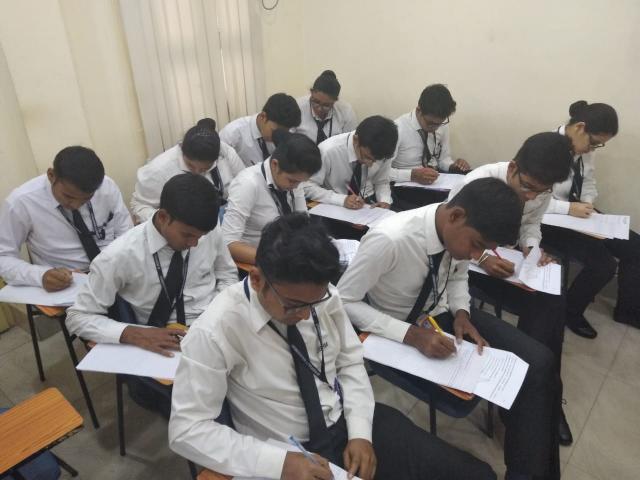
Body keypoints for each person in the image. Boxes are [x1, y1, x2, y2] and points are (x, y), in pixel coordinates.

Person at [169, 213, 496, 480]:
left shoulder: (322, 296)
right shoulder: (216, 330)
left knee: (477, 474)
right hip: (288, 449)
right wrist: (279, 464)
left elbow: (350, 362)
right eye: (294, 305)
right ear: (257, 280)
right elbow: (187, 430)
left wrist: (360, 432)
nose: (305, 314)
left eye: (315, 303)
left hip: (346, 419)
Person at [338, 178, 561, 480]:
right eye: (477, 246)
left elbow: (457, 276)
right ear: (455, 216)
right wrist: (411, 335)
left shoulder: (455, 230)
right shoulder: (391, 239)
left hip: (441, 316)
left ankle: (525, 473)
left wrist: (462, 312)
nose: (476, 255)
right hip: (396, 331)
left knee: (540, 362)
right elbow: (344, 301)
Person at [67, 173, 237, 416]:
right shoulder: (119, 256)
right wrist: (132, 333)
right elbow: (77, 317)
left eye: (200, 237)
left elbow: (227, 274)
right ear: (163, 217)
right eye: (188, 235)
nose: (195, 244)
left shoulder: (205, 230)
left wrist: (219, 313)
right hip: (169, 337)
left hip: (216, 321)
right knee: (214, 404)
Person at [452, 132, 574, 446]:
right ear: (512, 168)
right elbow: (450, 236)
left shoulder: (539, 189)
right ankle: (532, 393)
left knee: (552, 301)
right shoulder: (477, 183)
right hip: (469, 268)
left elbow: (531, 225)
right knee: (543, 310)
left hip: (506, 262)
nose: (532, 197)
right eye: (528, 187)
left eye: (542, 191)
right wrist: (482, 258)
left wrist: (532, 249)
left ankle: (539, 391)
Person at [543, 101, 640, 337]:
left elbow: (588, 182)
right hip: (549, 220)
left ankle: (628, 311)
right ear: (579, 128)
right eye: (594, 142)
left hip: (577, 212)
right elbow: (531, 200)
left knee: (635, 246)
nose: (593, 149)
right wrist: (569, 208)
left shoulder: (584, 151)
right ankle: (570, 312)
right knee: (604, 264)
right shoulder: (546, 147)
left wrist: (588, 204)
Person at [0, 146, 132, 291]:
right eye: (68, 196)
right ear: (51, 175)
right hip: (66, 283)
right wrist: (41, 275)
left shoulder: (106, 186)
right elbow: (3, 257)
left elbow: (128, 236)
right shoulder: (22, 202)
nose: (75, 205)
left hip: (114, 271)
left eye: (86, 199)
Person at [223, 130, 321, 265]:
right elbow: (228, 243)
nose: (296, 187)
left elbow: (303, 223)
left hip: (290, 255)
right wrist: (278, 262)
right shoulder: (247, 184)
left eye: (300, 182)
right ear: (275, 165)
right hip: (258, 262)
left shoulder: (294, 180)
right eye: (292, 181)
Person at [130, 118, 245, 223]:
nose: (197, 172)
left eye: (205, 169)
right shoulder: (158, 170)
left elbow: (243, 186)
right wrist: (169, 223)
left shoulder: (225, 152)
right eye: (190, 166)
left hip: (225, 217)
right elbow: (139, 206)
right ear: (181, 149)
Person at [390, 84, 471, 211]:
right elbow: (381, 173)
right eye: (430, 123)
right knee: (449, 208)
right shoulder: (397, 130)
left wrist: (453, 166)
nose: (435, 128)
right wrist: (412, 175)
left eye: (440, 123)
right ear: (419, 110)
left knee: (469, 186)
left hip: (434, 182)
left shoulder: (441, 125)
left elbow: (443, 159)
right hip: (405, 187)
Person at [303, 115, 398, 209]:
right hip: (334, 203)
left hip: (369, 201)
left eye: (375, 160)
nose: (370, 164)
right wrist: (341, 199)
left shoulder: (383, 152)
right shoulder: (328, 151)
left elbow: (382, 181)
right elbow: (307, 186)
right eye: (367, 157)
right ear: (356, 140)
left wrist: (384, 200)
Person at [220, 93, 301, 167]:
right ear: (263, 117)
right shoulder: (232, 134)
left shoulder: (288, 132)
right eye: (275, 131)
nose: (278, 136)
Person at [295, 70, 357, 145]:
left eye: (326, 105)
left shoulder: (346, 111)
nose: (319, 109)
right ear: (311, 93)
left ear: (335, 101)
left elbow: (349, 144)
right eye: (316, 102)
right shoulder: (297, 107)